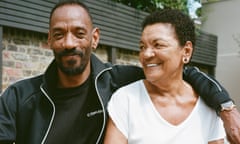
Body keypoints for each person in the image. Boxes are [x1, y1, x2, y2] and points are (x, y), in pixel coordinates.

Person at [0, 1, 239, 144]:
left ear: (95, 39)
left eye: (79, 33)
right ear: (49, 40)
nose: (69, 43)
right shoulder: (19, 97)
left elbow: (178, 71)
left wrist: (225, 106)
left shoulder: (115, 81)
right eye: (60, 34)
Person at [104, 9, 237, 144]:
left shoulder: (208, 105)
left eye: (158, 45)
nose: (146, 54)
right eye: (142, 46)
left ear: (186, 51)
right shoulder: (126, 99)